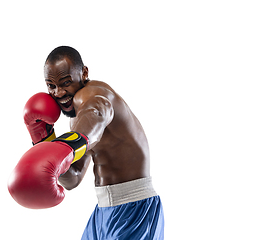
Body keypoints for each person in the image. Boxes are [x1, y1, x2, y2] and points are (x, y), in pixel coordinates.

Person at [8, 46, 164, 240]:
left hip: (135, 210)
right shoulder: (77, 118)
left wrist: (64, 146)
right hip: (103, 212)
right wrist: (45, 139)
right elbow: (73, 178)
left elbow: (97, 112)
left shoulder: (93, 95)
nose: (58, 92)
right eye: (51, 85)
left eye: (66, 82)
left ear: (84, 73)